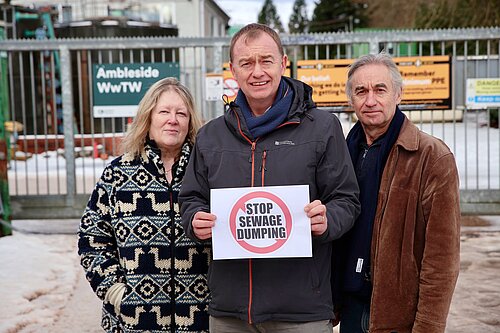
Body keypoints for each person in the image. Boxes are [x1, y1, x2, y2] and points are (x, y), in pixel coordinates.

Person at [179, 23, 360, 332]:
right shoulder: (211, 136)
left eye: (266, 60)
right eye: (246, 63)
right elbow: (191, 198)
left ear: (283, 63)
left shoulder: (322, 127)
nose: (257, 71)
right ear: (233, 71)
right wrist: (195, 219)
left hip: (302, 309)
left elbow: (347, 199)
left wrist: (327, 219)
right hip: (230, 312)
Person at [335, 53, 461, 333]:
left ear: (398, 94)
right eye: (361, 91)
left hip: (399, 316)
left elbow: (442, 256)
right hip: (351, 307)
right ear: (350, 100)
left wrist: (428, 325)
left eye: (380, 90)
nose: (370, 100)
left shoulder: (431, 157)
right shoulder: (341, 154)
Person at [78, 77, 210, 333]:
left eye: (181, 113)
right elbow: (91, 238)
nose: (173, 119)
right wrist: (116, 293)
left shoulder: (208, 172)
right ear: (148, 118)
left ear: (190, 122)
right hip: (133, 322)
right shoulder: (117, 174)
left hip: (200, 320)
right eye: (164, 111)